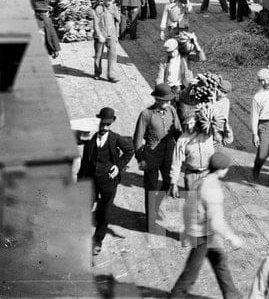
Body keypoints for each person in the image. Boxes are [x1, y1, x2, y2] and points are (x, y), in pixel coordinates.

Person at [169, 150, 241, 299]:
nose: (227, 170)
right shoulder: (212, 189)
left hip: (199, 230)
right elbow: (216, 222)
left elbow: (188, 207)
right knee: (192, 272)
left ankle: (232, 295)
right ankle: (176, 296)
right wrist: (231, 237)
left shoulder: (201, 180)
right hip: (202, 234)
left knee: (219, 261)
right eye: (226, 168)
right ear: (221, 170)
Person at [77, 106, 132, 255]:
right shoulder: (90, 138)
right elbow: (85, 161)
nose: (104, 127)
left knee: (105, 210)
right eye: (102, 123)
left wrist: (118, 166)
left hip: (108, 181)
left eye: (107, 124)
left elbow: (129, 151)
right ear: (98, 122)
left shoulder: (116, 139)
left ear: (111, 124)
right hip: (91, 180)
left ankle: (97, 240)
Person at [133, 83, 182, 228]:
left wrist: (186, 141)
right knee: (151, 188)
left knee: (168, 182)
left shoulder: (172, 110)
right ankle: (150, 220)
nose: (168, 102)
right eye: (165, 100)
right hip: (151, 155)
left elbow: (178, 131)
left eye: (169, 100)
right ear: (157, 99)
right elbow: (137, 139)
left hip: (169, 153)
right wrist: (140, 158)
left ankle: (155, 207)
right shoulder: (146, 114)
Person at [170, 115, 218, 196]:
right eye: (186, 124)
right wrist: (174, 184)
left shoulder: (208, 134)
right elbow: (176, 162)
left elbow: (226, 139)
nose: (188, 127)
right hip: (191, 175)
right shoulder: (182, 140)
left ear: (197, 123)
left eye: (191, 123)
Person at [93, 0, 121, 83]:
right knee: (98, 55)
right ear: (104, 0)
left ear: (113, 1)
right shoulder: (99, 8)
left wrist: (116, 35)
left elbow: (117, 22)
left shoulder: (114, 8)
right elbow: (96, 24)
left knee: (112, 55)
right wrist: (99, 35)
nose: (108, 2)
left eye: (110, 1)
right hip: (100, 35)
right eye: (107, 0)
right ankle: (97, 73)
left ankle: (112, 75)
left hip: (111, 35)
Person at [211, 79, 235, 147]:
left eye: (225, 93)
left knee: (228, 138)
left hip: (218, 128)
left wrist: (226, 131)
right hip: (208, 128)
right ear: (216, 88)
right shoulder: (210, 99)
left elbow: (224, 119)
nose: (222, 95)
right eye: (221, 91)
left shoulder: (226, 101)